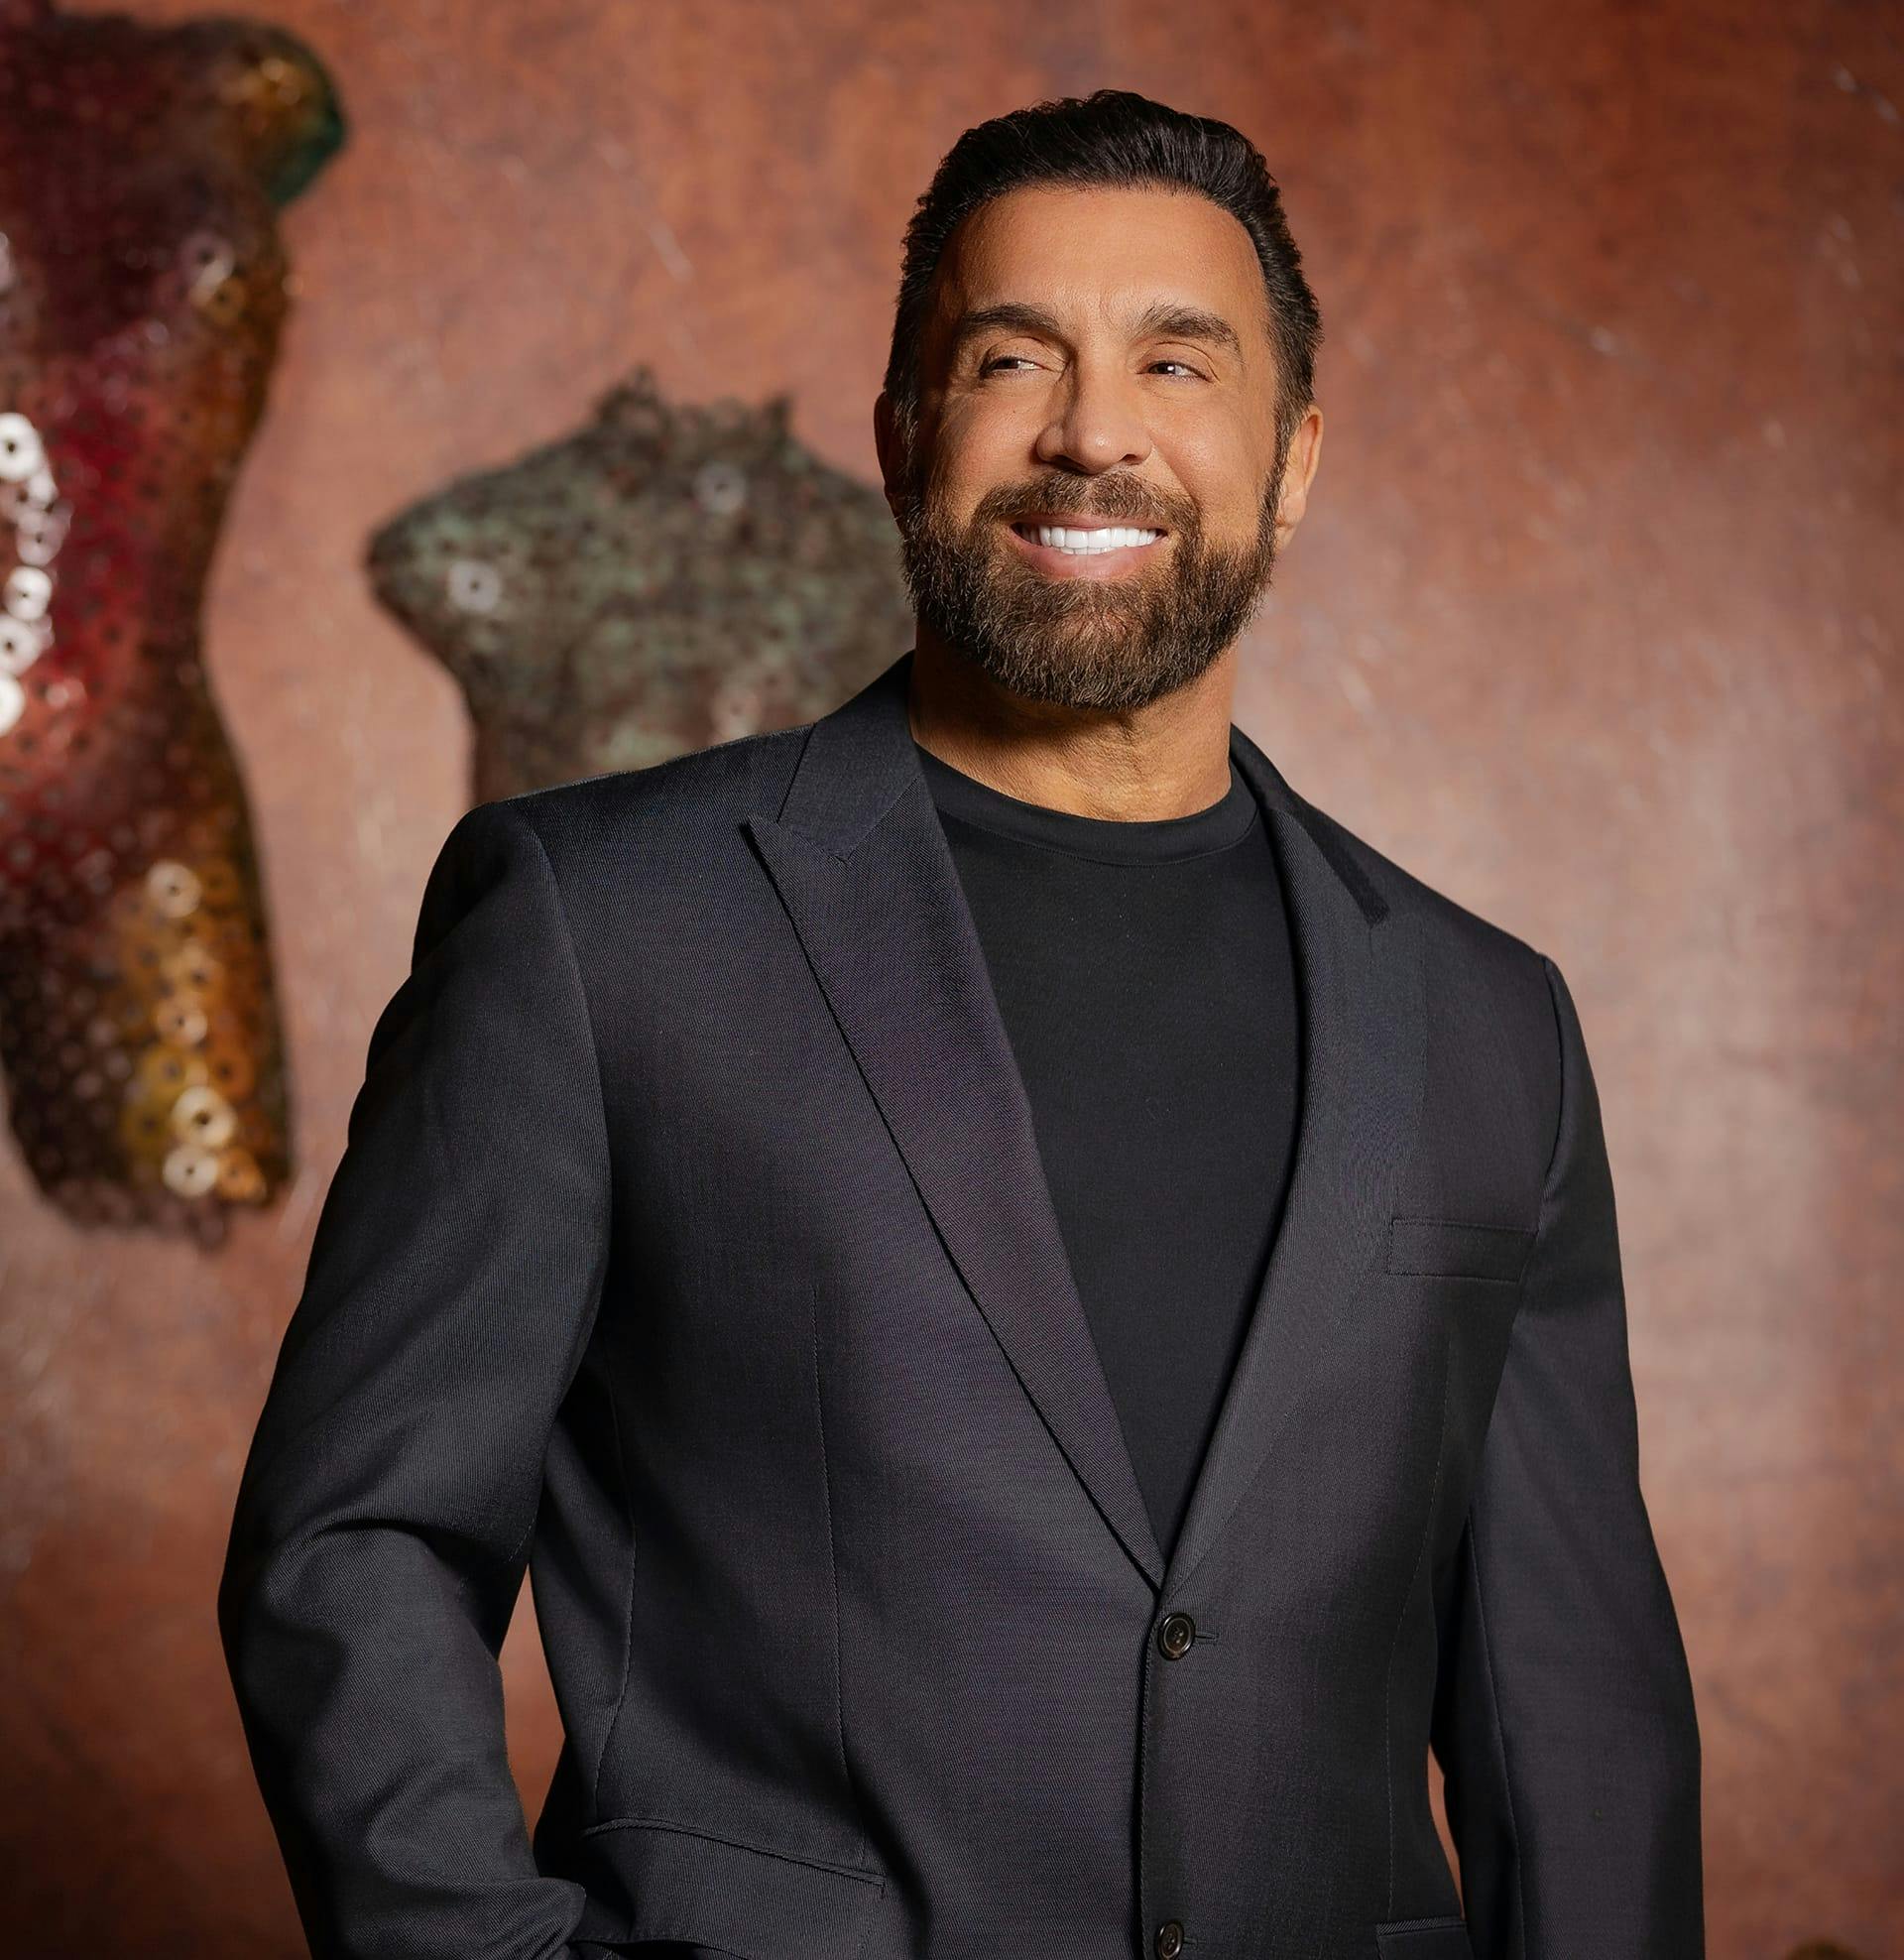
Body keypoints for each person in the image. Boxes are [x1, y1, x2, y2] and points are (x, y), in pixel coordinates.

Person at [219, 88, 1703, 1960]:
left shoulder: (1493, 1025)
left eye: (1180, 363)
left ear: (1296, 457)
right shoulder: (600, 932)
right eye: (1014, 358)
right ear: (902, 434)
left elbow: (1573, 1720)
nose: (1094, 431)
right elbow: (356, 1548)